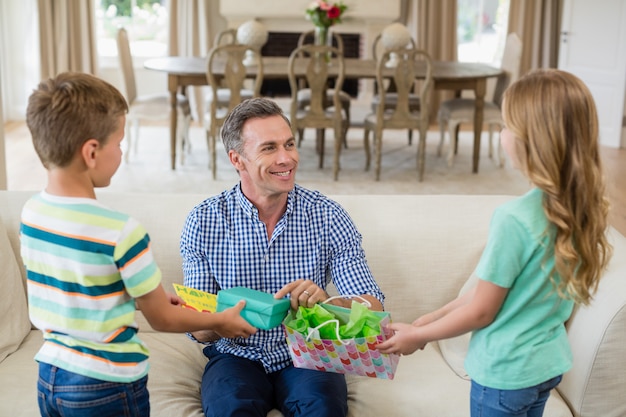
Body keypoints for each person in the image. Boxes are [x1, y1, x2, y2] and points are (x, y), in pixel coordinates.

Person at [377, 68, 613, 416]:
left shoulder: (515, 218)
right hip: (545, 367)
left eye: (506, 126)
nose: (501, 134)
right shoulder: (581, 208)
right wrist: (428, 320)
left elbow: (482, 310)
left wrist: (420, 337)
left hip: (505, 375)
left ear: (531, 140)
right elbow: (492, 293)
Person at [20, 72, 256, 417]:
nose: (121, 151)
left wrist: (146, 297)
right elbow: (162, 319)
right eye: (118, 143)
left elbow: (79, 286)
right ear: (91, 152)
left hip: (51, 376)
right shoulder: (120, 230)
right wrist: (220, 321)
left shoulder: (32, 213)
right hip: (106, 383)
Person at [179, 97, 385, 417]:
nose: (286, 158)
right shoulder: (203, 221)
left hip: (309, 352)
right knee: (228, 411)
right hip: (236, 356)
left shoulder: (327, 215)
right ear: (238, 159)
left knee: (324, 410)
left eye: (289, 144)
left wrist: (329, 304)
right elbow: (198, 327)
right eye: (269, 148)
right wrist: (220, 321)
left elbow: (374, 309)